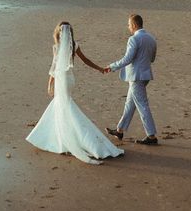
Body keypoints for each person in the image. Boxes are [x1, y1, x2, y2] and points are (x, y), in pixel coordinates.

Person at [26, 21, 124, 164]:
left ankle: (73, 140)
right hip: (70, 79)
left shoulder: (57, 47)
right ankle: (62, 138)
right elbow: (86, 60)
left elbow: (54, 67)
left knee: (65, 108)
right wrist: (100, 68)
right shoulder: (74, 46)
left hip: (62, 80)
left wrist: (49, 84)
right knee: (62, 107)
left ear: (58, 33)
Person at [104, 14, 158, 145]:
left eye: (129, 24)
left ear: (134, 25)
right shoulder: (151, 38)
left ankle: (151, 136)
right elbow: (152, 58)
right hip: (145, 75)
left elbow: (127, 59)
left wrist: (111, 67)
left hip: (136, 77)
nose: (128, 27)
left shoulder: (134, 39)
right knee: (130, 104)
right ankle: (120, 130)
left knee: (142, 105)